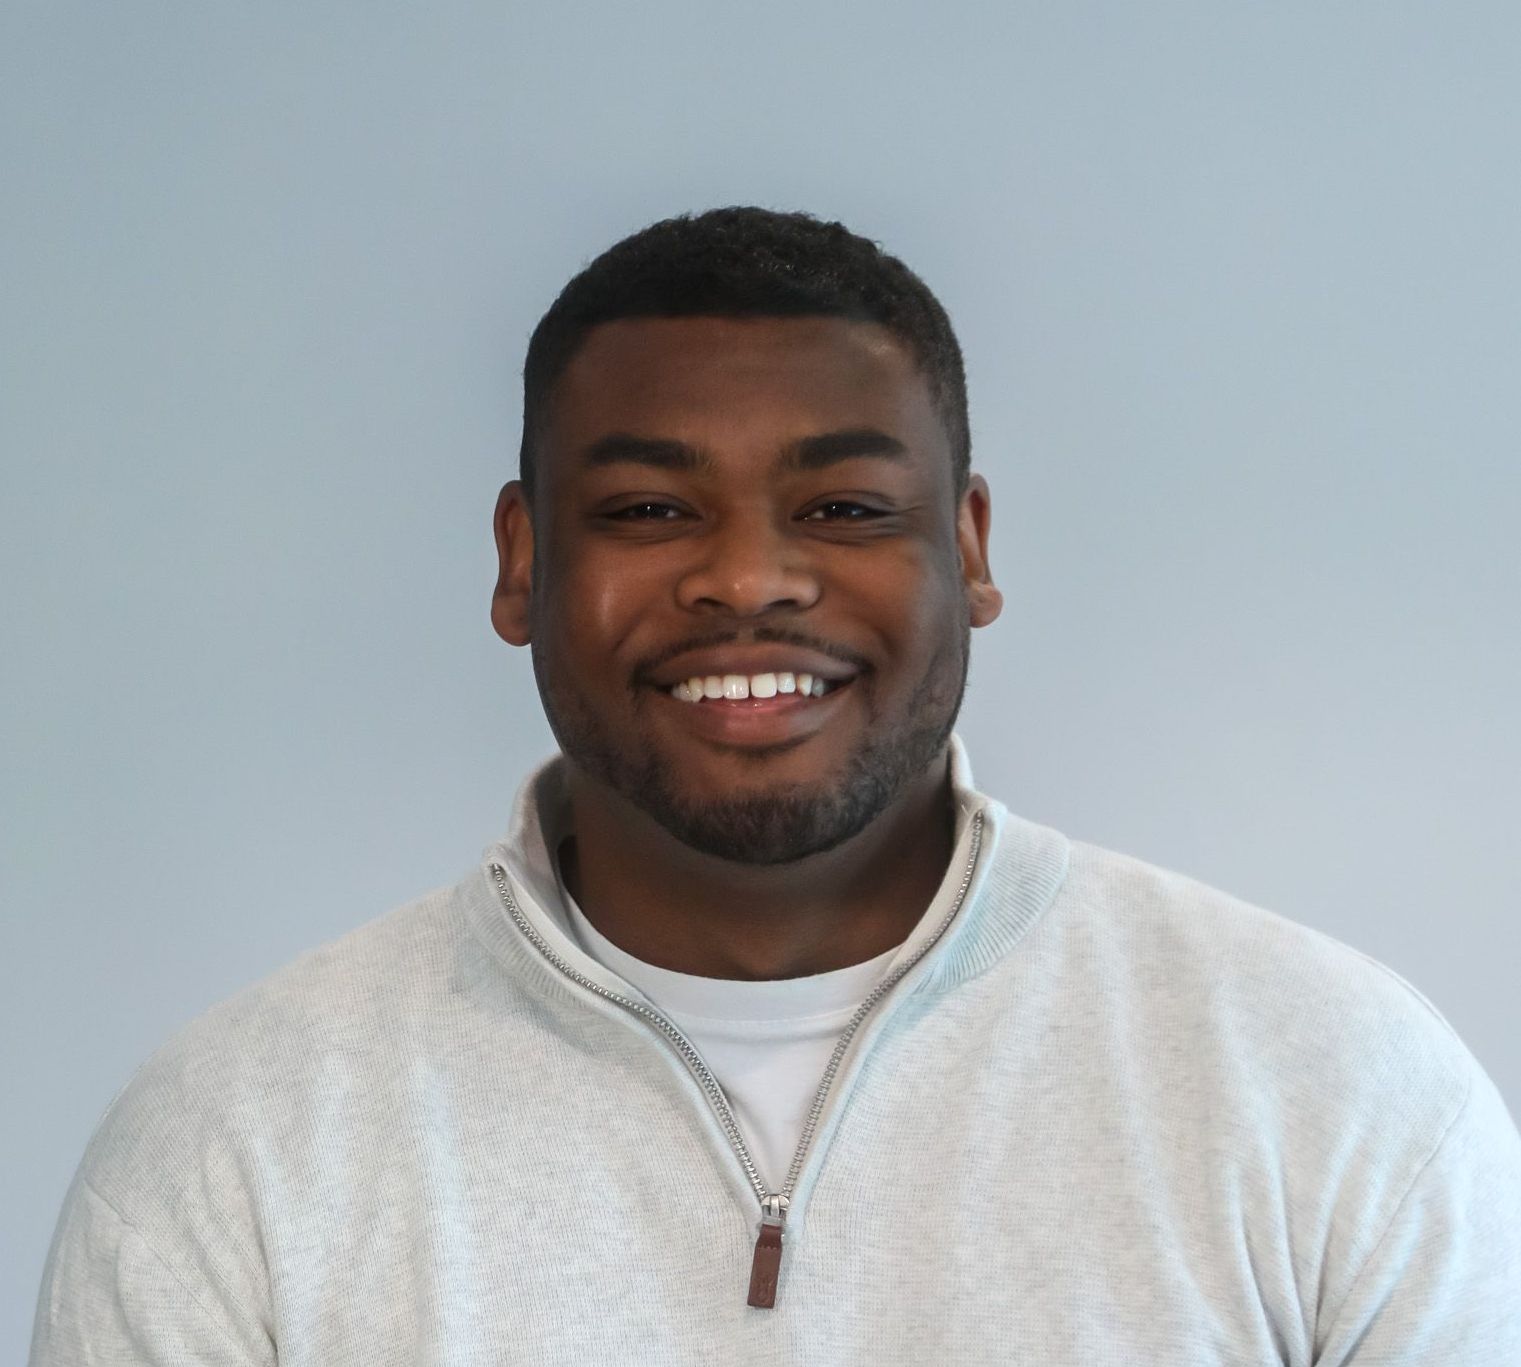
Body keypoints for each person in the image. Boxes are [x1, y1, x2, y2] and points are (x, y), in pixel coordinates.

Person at [29, 207, 1521, 1365]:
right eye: (649, 509)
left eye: (845, 506)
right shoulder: (240, 1139)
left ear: (972, 551)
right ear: (522, 563)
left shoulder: (1331, 1087)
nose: (747, 577)